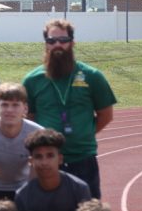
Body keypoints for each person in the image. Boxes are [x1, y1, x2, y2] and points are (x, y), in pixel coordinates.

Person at [22, 19, 116, 199]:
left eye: (63, 40)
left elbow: (105, 114)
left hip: (82, 158)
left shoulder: (92, 76)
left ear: (72, 42)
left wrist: (85, 133)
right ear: (46, 45)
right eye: (51, 41)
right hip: (46, 161)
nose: (57, 44)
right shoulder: (32, 80)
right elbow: (29, 118)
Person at [15, 129, 91, 211]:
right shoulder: (23, 196)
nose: (44, 162)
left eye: (50, 155)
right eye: (38, 157)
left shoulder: (79, 188)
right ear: (30, 161)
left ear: (60, 159)